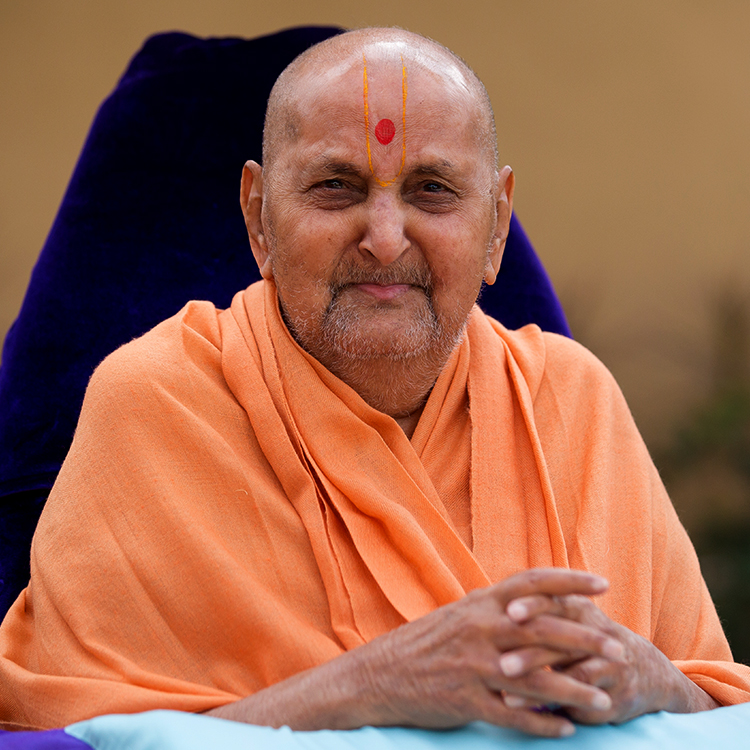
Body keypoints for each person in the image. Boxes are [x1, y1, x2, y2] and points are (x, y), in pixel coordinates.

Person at [1, 27, 749, 738]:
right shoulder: (156, 402)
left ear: (496, 226)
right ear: (258, 218)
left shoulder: (572, 396)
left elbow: (715, 710)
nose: (386, 239)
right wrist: (370, 688)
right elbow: (68, 741)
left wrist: (653, 682)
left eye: (431, 191)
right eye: (335, 187)